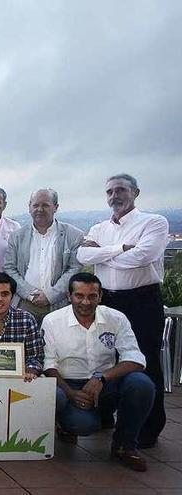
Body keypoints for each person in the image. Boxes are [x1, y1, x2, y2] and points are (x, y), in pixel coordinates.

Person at [77, 173, 169, 448]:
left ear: (135, 193)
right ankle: (106, 417)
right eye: (109, 192)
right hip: (106, 302)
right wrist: (119, 249)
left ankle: (148, 429)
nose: (114, 196)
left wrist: (104, 254)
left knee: (144, 361)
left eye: (120, 190)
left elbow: (143, 256)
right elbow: (83, 256)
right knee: (105, 359)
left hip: (141, 301)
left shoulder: (154, 222)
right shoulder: (99, 228)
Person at [43, 273, 155, 471]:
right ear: (69, 296)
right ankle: (66, 423)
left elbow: (136, 359)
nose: (85, 302)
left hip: (106, 382)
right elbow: (49, 365)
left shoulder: (116, 318)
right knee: (84, 425)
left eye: (92, 296)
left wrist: (102, 377)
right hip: (70, 383)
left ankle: (124, 446)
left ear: (100, 296)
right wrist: (71, 393)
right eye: (79, 296)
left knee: (142, 384)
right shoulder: (52, 321)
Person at [4, 189, 84, 323]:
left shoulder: (73, 235)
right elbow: (9, 268)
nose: (39, 209)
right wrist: (29, 293)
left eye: (45, 205)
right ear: (29, 207)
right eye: (35, 205)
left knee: (57, 342)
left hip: (59, 304)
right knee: (25, 343)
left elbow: (74, 268)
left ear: (56, 207)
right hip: (24, 303)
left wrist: (50, 295)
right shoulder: (17, 236)